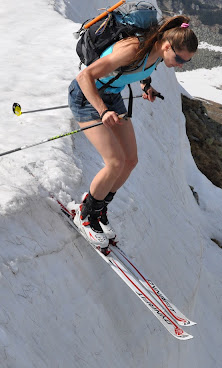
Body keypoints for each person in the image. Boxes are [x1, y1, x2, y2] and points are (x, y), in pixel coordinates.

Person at [67, 15, 198, 249]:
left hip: (111, 97)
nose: (180, 64)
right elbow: (84, 76)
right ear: (167, 45)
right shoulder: (132, 48)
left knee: (130, 160)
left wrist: (145, 85)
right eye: (179, 59)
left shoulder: (157, 52)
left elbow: (141, 68)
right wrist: (103, 110)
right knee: (115, 162)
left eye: (185, 62)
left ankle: (98, 211)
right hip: (87, 99)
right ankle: (85, 216)